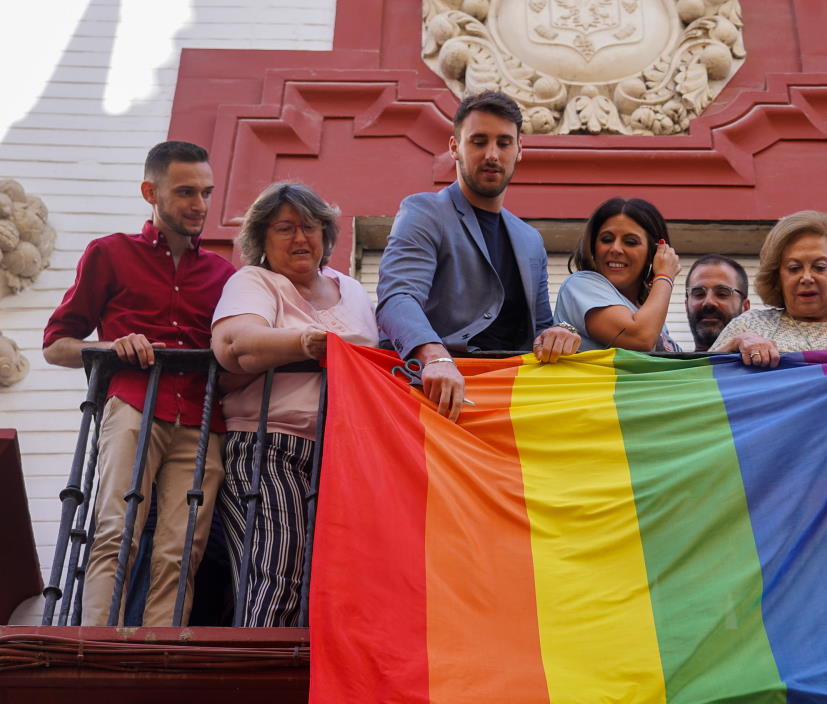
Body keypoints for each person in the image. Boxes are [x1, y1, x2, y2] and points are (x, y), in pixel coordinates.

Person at [43, 140, 234, 626]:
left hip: (201, 419)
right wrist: (112, 347)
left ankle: (160, 650)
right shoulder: (110, 253)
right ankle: (97, 644)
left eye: (206, 193)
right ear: (151, 191)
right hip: (131, 405)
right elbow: (56, 344)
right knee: (114, 528)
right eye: (186, 191)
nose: (200, 205)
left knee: (181, 546)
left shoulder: (222, 273)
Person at [210, 181, 378, 626]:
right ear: (262, 239)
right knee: (277, 571)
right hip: (270, 446)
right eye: (285, 228)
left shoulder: (355, 291)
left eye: (311, 227)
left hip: (343, 454)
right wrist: (307, 343)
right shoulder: (256, 281)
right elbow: (234, 344)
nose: (301, 238)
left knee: (340, 582)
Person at [375, 90, 579, 422]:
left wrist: (561, 332)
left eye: (503, 143)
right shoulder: (424, 211)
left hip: (510, 406)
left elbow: (540, 329)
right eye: (479, 141)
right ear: (455, 147)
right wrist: (435, 357)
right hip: (431, 399)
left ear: (519, 150)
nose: (492, 154)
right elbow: (398, 297)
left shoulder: (530, 240)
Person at [709, 210, 827, 366]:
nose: (807, 278)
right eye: (794, 268)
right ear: (777, 277)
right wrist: (735, 344)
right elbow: (701, 378)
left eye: (820, 267)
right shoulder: (748, 324)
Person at [554, 197, 681, 352]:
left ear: (653, 252)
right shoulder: (580, 285)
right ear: (593, 247)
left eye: (630, 242)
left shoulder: (648, 311)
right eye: (607, 239)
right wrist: (664, 276)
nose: (616, 249)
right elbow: (640, 338)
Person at [684, 254, 751, 351]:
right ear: (686, 306)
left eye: (722, 294)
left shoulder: (769, 362)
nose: (709, 302)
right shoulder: (672, 365)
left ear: (745, 307)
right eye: (699, 294)